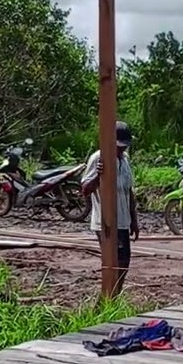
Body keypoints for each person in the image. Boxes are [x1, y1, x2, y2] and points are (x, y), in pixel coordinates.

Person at [81, 121, 139, 291]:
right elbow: (85, 190)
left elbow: (129, 192)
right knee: (113, 263)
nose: (122, 149)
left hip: (123, 221)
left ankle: (114, 296)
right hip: (105, 222)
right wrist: (99, 175)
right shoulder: (98, 158)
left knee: (124, 263)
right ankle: (108, 296)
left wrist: (134, 220)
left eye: (124, 146)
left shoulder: (125, 160)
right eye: (119, 146)